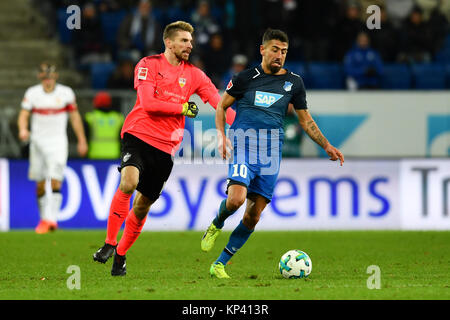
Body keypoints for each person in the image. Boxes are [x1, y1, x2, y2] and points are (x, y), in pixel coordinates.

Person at [92, 21, 236, 276]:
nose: (189, 45)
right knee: (128, 182)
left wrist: (245, 123)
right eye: (184, 41)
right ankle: (110, 243)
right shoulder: (148, 65)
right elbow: (147, 103)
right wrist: (181, 108)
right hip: (138, 134)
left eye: (191, 42)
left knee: (142, 206)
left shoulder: (195, 75)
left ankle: (121, 255)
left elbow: (218, 102)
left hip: (165, 147)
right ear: (168, 42)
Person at [201, 28, 344, 279]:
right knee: (235, 200)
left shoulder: (294, 83)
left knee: (253, 215)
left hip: (271, 153)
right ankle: (218, 222)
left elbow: (305, 119)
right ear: (263, 50)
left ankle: (219, 264)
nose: (280, 55)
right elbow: (221, 106)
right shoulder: (245, 78)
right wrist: (222, 137)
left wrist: (326, 145)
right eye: (275, 50)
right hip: (244, 146)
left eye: (284, 51)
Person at [17, 62, 88, 234]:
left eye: (50, 76)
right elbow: (24, 115)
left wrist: (82, 140)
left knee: (56, 179)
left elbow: (75, 117)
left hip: (58, 142)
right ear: (40, 77)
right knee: (40, 184)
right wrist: (23, 129)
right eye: (44, 77)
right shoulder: (32, 94)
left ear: (55, 76)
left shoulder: (66, 93)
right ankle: (44, 219)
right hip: (37, 143)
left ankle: (52, 220)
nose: (48, 80)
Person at [84, 91, 124, 159]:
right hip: (114, 154)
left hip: (95, 154)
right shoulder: (118, 118)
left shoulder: (90, 117)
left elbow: (85, 136)